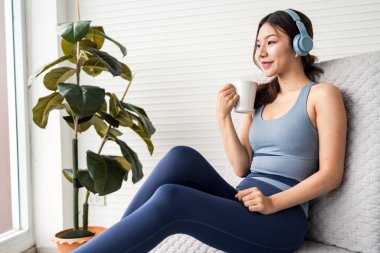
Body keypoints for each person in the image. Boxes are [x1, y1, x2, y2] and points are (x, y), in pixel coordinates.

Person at [73, 9, 347, 253]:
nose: (260, 53)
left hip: (281, 219)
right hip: (243, 203)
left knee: (172, 197)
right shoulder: (259, 99)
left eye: (271, 42)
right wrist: (223, 116)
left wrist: (273, 202)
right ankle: (121, 244)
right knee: (181, 156)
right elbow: (242, 167)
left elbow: (331, 175)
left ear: (300, 44)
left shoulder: (321, 95)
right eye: (257, 45)